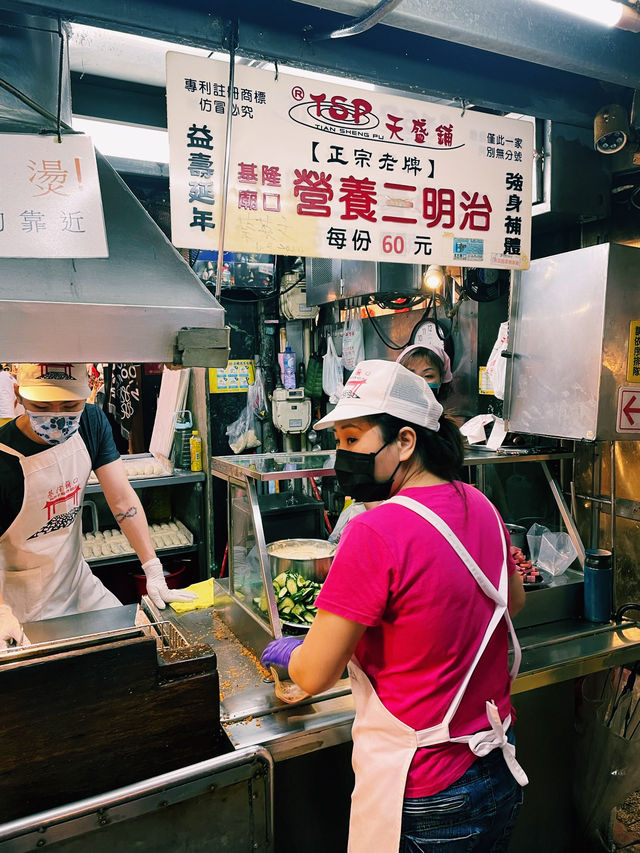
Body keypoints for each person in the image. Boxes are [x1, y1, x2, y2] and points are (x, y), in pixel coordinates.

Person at [262, 359, 527, 853]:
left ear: (405, 441)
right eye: (339, 440)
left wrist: (288, 652)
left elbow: (315, 675)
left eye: (353, 439)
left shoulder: (374, 530)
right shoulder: (482, 505)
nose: (343, 456)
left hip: (424, 788)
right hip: (496, 772)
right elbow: (514, 601)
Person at [0, 363, 196, 649]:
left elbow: (122, 499)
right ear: (18, 394)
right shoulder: (3, 460)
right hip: (21, 601)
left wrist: (152, 567)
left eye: (69, 404)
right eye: (42, 405)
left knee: (130, 647)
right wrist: (2, 611)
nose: (57, 417)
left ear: (87, 393)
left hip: (77, 583)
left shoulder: (90, 423)